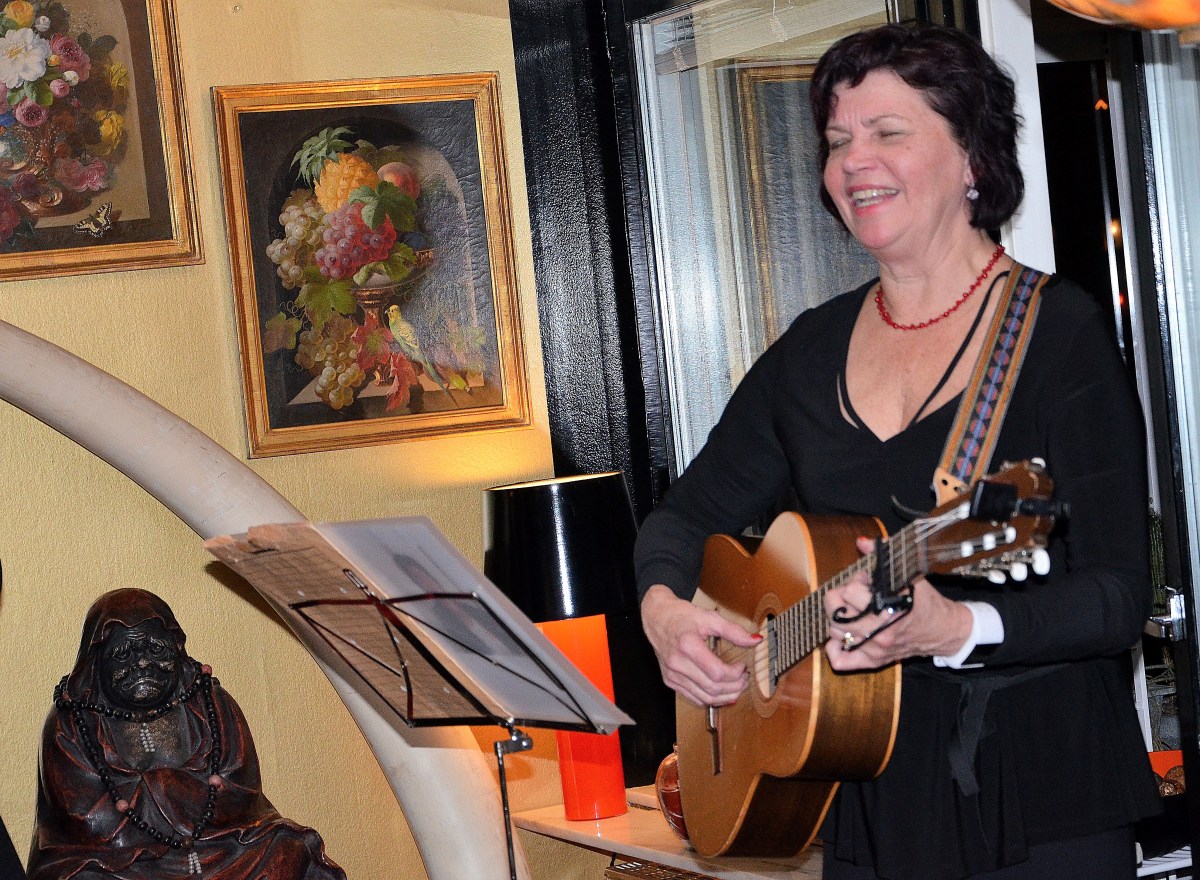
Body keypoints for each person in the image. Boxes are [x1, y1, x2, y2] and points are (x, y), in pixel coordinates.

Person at [635, 22, 1161, 880]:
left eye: (887, 132)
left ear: (973, 159)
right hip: (861, 790)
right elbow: (684, 518)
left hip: (1042, 795)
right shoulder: (810, 350)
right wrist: (664, 615)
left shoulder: (1059, 333)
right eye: (838, 140)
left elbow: (1114, 595)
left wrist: (955, 625)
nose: (854, 161)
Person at [27, 588, 346, 880]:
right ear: (96, 662)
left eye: (156, 649)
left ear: (177, 650)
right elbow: (87, 821)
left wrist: (158, 786)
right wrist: (177, 790)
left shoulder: (210, 702)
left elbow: (242, 795)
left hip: (217, 846)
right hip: (124, 861)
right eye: (123, 654)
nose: (142, 663)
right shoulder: (71, 721)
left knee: (287, 849)